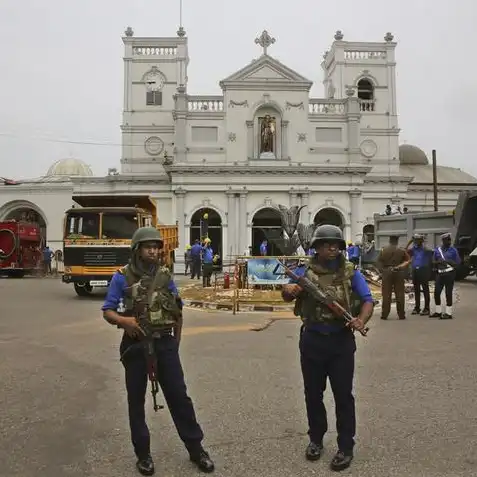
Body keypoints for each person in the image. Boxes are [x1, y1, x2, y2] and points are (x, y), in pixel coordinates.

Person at [101, 227, 215, 476]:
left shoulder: (164, 275)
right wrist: (125, 322)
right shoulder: (121, 277)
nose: (153, 250)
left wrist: (176, 341)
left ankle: (196, 449)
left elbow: (177, 309)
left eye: (156, 246)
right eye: (147, 246)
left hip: (164, 344)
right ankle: (143, 455)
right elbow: (108, 310)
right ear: (137, 250)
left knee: (179, 398)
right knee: (136, 402)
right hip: (135, 346)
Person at [281, 225, 374, 472]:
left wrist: (361, 321)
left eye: (336, 244)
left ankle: (346, 446)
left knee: (343, 395)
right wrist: (288, 290)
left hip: (340, 341)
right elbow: (287, 295)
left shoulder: (350, 272)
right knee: (313, 393)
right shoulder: (305, 271)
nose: (332, 248)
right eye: (325, 244)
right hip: (312, 340)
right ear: (317, 248)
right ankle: (316, 439)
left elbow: (367, 300)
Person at [377, 236, 411, 320]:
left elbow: (378, 262)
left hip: (387, 272)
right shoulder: (401, 250)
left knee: (386, 294)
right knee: (399, 293)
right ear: (397, 241)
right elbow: (408, 261)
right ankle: (401, 315)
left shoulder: (383, 250)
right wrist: (400, 267)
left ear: (389, 241)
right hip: (398, 272)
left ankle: (384, 314)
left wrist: (382, 271)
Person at [430, 233, 460, 319]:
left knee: (448, 293)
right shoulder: (437, 250)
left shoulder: (454, 250)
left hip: (450, 274)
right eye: (447, 240)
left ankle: (448, 313)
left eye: (450, 240)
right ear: (443, 241)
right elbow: (433, 261)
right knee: (436, 293)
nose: (449, 242)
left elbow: (457, 263)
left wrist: (449, 262)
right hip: (440, 274)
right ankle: (438, 311)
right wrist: (439, 262)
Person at [406, 234, 432, 315]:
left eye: (418, 240)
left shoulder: (425, 249)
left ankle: (427, 308)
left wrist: (423, 242)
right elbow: (404, 251)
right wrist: (409, 242)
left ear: (421, 241)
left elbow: (429, 251)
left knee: (425, 289)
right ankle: (417, 308)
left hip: (423, 270)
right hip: (415, 270)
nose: (416, 242)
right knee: (416, 290)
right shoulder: (414, 249)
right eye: (415, 240)